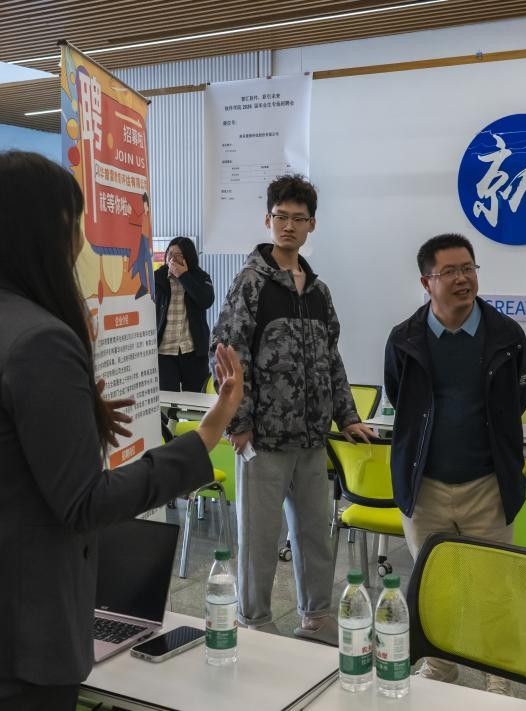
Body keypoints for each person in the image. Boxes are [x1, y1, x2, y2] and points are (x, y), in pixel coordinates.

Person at [0, 150, 244, 711]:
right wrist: (207, 433)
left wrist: (72, 413)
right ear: (48, 231)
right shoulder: (38, 339)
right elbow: (85, 503)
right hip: (2, 647)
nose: (81, 244)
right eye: (77, 225)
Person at [211, 174, 373, 639]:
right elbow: (227, 355)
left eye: (298, 219)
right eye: (280, 217)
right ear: (267, 220)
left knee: (315, 536)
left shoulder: (318, 292)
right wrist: (239, 423)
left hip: (311, 440)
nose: (289, 226)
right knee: (259, 540)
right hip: (262, 438)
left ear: (311, 225)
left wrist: (347, 416)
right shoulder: (251, 283)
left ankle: (316, 617)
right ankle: (255, 621)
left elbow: (331, 358)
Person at [382, 233, 526, 691]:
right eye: (450, 271)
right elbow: (400, 398)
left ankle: (497, 675)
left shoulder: (507, 336)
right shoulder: (404, 339)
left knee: (493, 588)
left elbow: (520, 396)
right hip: (425, 485)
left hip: (487, 484)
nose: (463, 279)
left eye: (469, 268)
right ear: (427, 282)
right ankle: (439, 668)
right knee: (435, 586)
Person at [155, 236, 214, 392]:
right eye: (170, 254)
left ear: (188, 257)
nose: (172, 259)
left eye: (178, 255)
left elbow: (206, 301)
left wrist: (184, 276)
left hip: (193, 350)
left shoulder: (200, 277)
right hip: (164, 351)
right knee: (167, 401)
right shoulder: (157, 277)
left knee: (195, 398)